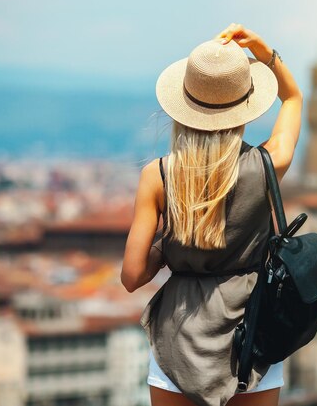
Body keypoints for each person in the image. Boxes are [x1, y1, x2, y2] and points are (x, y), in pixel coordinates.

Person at [121, 23, 303, 406]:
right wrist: (266, 53)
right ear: (245, 107)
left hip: (178, 339)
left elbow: (132, 276)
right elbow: (294, 99)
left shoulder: (157, 177)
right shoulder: (268, 164)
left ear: (184, 108)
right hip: (252, 336)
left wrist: (171, 240)